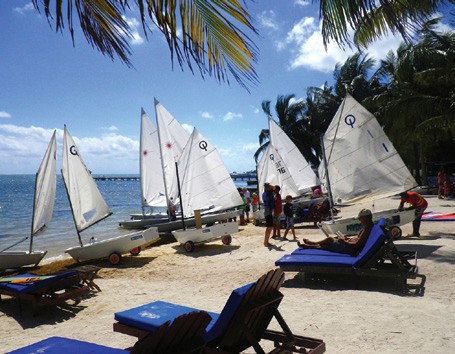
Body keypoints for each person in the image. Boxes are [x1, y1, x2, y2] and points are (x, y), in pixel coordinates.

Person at [297, 208, 374, 256]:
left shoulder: (367, 229)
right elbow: (358, 240)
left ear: (366, 218)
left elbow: (356, 245)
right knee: (331, 241)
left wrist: (344, 241)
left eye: (360, 218)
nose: (359, 220)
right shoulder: (370, 227)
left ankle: (311, 244)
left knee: (329, 240)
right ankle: (309, 245)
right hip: (351, 247)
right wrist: (348, 239)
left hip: (351, 250)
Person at [262, 183, 275, 247]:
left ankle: (266, 241)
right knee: (269, 227)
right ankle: (265, 242)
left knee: (271, 227)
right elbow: (274, 187)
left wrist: (270, 186)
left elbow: (274, 187)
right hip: (268, 212)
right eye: (269, 186)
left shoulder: (269, 193)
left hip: (269, 211)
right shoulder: (266, 194)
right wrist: (270, 186)